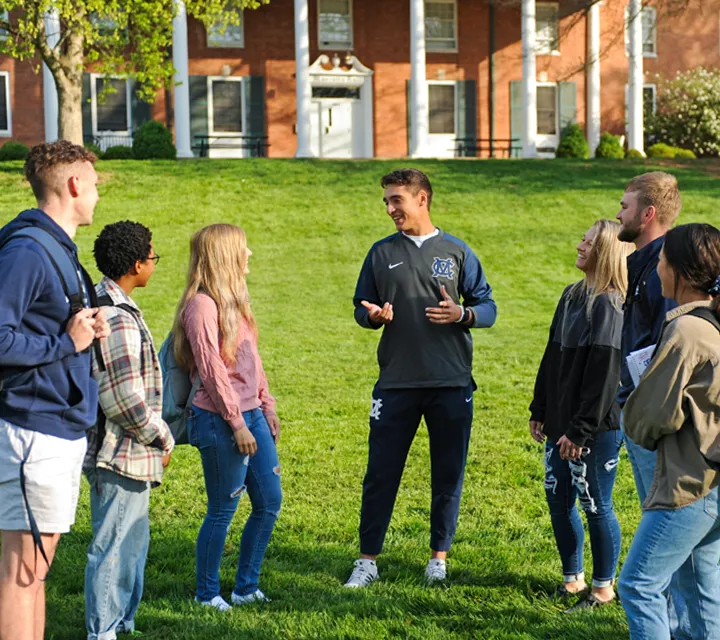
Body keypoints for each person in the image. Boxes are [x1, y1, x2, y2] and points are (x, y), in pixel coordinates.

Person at [345, 168, 497, 588]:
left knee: (448, 472)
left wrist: (462, 314)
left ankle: (438, 559)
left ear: (422, 200)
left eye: (397, 200)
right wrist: (372, 316)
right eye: (387, 202)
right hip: (395, 383)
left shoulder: (457, 251)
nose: (391, 208)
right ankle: (367, 560)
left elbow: (488, 308)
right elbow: (361, 307)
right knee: (380, 472)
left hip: (451, 383)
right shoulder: (379, 253)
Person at [0, 141, 110, 640]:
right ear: (74, 185)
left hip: (57, 427)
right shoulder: (26, 249)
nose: (97, 195)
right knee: (21, 574)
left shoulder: (57, 247)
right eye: (94, 184)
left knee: (36, 573)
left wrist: (83, 329)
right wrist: (66, 340)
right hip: (30, 428)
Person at [618, 223, 720, 639]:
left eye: (661, 260)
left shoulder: (686, 330)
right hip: (712, 483)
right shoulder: (710, 322)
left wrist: (632, 414)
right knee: (700, 589)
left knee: (638, 585)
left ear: (679, 270)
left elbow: (653, 416)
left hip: (689, 484)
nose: (655, 266)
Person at [173, 223, 281, 611]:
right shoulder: (201, 305)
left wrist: (265, 405)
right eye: (243, 248)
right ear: (224, 255)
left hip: (251, 414)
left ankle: (246, 587)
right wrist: (236, 422)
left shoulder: (237, 299)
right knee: (223, 509)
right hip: (218, 418)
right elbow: (211, 368)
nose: (249, 254)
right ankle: (207, 594)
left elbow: (252, 359)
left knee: (269, 502)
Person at [529, 220, 628, 611]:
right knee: (558, 497)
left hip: (593, 429)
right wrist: (541, 409)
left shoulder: (608, 304)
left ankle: (604, 589)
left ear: (604, 251)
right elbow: (551, 357)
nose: (579, 245)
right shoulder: (572, 295)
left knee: (595, 503)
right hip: (560, 424)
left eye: (587, 242)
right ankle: (573, 580)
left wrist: (580, 430)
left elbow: (605, 375)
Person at [84, 221, 174, 640]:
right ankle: (103, 631)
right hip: (119, 454)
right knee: (115, 548)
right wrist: (163, 435)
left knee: (131, 545)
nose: (154, 264)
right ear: (137, 264)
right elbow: (122, 399)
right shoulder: (116, 316)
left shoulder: (112, 306)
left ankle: (121, 624)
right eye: (153, 257)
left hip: (129, 454)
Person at [615, 171, 692, 637]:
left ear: (648, 214)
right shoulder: (640, 264)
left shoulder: (663, 269)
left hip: (655, 426)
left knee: (665, 545)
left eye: (624, 206)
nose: (618, 213)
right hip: (642, 415)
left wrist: (643, 409)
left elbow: (670, 347)